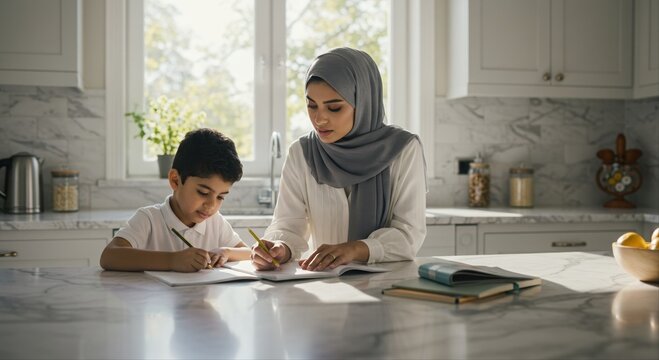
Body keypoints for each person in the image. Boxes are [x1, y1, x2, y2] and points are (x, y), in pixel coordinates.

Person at [251, 47, 427, 271]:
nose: (319, 119)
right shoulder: (301, 153)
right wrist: (279, 247)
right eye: (311, 105)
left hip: (388, 284)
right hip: (325, 284)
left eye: (334, 108)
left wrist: (355, 248)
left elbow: (409, 235)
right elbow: (288, 224)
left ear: (363, 102)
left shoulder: (403, 149)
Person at [100, 128, 251, 272]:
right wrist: (172, 260)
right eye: (203, 192)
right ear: (175, 180)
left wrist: (226, 252)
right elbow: (109, 256)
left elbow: (248, 253)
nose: (212, 205)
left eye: (220, 197)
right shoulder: (150, 219)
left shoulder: (215, 223)